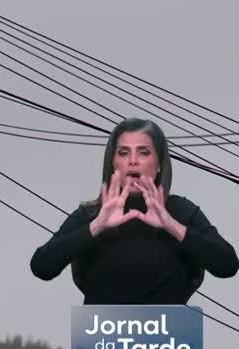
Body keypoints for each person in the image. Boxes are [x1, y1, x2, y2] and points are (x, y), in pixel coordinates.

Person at [30, 117, 238, 304]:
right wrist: (96, 226)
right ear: (113, 163)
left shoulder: (181, 211)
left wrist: (172, 225)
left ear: (159, 164)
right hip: (103, 340)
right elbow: (42, 267)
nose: (133, 160)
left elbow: (227, 265)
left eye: (144, 152)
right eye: (123, 153)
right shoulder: (91, 214)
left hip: (170, 340)